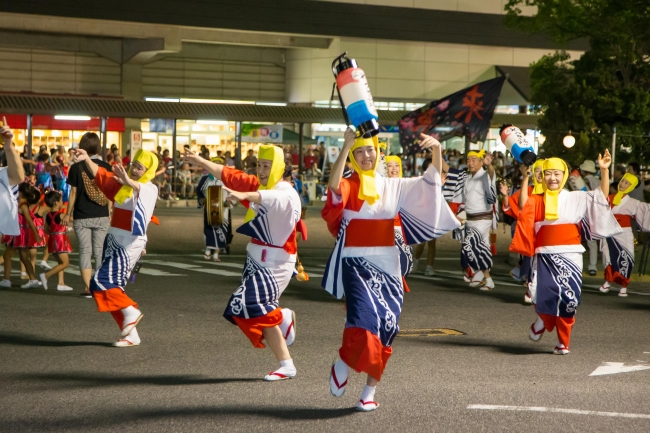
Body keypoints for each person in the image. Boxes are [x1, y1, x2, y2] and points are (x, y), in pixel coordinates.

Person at [322, 129, 459, 411]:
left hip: (389, 264)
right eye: (360, 152)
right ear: (353, 158)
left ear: (379, 152)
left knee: (387, 327)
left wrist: (436, 150)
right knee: (363, 321)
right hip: (356, 263)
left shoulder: (393, 185)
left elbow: (429, 184)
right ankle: (345, 361)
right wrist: (345, 146)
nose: (366, 155)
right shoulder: (349, 183)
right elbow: (334, 186)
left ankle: (369, 391)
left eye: (370, 150)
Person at [183, 145, 303, 381]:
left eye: (266, 166)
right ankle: (285, 354)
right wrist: (199, 160)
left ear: (279, 167)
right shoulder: (259, 185)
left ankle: (283, 329)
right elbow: (227, 173)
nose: (261, 170)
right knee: (255, 309)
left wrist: (247, 196)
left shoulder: (286, 191)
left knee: (248, 303)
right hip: (255, 259)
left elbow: (274, 198)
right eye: (259, 165)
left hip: (277, 262)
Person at [512, 151, 620, 355]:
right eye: (548, 173)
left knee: (569, 299)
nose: (552, 178)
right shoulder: (537, 199)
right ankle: (543, 320)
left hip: (570, 254)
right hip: (544, 255)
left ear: (564, 175)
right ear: (542, 176)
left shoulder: (576, 197)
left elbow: (600, 196)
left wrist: (604, 171)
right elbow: (523, 204)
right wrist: (526, 177)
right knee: (542, 295)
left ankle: (562, 341)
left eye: (557, 173)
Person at [72, 147, 159, 347]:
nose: (135, 170)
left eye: (140, 168)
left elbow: (140, 190)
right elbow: (102, 175)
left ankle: (130, 310)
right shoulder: (123, 185)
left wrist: (129, 181)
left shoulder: (149, 188)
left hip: (129, 242)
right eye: (134, 166)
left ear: (149, 172)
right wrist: (86, 159)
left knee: (100, 281)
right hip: (114, 239)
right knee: (107, 287)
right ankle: (131, 334)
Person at [63, 133, 112, 298]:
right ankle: (99, 288)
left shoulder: (76, 167)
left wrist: (67, 213)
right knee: (99, 252)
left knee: (85, 251)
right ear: (98, 147)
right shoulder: (106, 166)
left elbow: (73, 193)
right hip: (102, 214)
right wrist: (110, 211)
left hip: (81, 215)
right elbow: (111, 192)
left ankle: (87, 288)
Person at [449, 149, 497, 290]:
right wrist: (460, 216)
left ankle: (477, 274)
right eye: (468, 160)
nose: (470, 163)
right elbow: (467, 201)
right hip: (470, 218)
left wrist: (489, 165)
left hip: (482, 219)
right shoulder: (467, 177)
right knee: (479, 250)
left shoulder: (485, 175)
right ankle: (484, 277)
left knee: (468, 246)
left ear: (481, 161)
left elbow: (492, 175)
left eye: (474, 160)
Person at [500, 159, 545, 303]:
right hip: (531, 234)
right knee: (533, 262)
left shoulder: (556, 192)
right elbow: (519, 205)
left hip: (549, 233)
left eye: (543, 171)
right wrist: (506, 195)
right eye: (537, 171)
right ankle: (531, 289)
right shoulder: (529, 189)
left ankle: (538, 289)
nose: (540, 174)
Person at [599, 173, 650, 297]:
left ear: (631, 186)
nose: (623, 184)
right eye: (622, 181)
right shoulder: (608, 198)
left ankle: (624, 285)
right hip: (610, 231)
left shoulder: (633, 202)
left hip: (625, 233)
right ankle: (608, 281)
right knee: (608, 256)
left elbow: (646, 210)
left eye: (627, 183)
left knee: (626, 258)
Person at [2, 183, 43, 289]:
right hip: (21, 233)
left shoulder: (22, 204)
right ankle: (33, 279)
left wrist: (36, 234)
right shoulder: (19, 203)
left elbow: (29, 220)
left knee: (7, 256)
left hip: (18, 234)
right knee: (24, 258)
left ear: (20, 192)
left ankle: (6, 280)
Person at [384, 155, 414, 290]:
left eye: (396, 165)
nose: (394, 168)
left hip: (403, 230)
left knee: (405, 263)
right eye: (390, 165)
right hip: (385, 230)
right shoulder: (381, 185)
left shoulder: (405, 184)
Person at [196, 160, 231, 261]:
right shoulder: (205, 179)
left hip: (223, 209)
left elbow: (231, 192)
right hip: (209, 208)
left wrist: (229, 200)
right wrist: (202, 200)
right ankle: (208, 249)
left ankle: (216, 254)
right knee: (209, 229)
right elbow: (199, 191)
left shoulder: (226, 180)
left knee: (221, 229)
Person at [38, 190, 73, 291]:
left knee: (60, 262)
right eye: (61, 200)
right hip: (60, 240)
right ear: (56, 203)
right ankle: (46, 276)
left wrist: (53, 234)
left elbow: (46, 229)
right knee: (65, 263)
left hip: (52, 239)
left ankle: (61, 283)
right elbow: (73, 219)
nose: (62, 202)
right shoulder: (61, 215)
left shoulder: (48, 215)